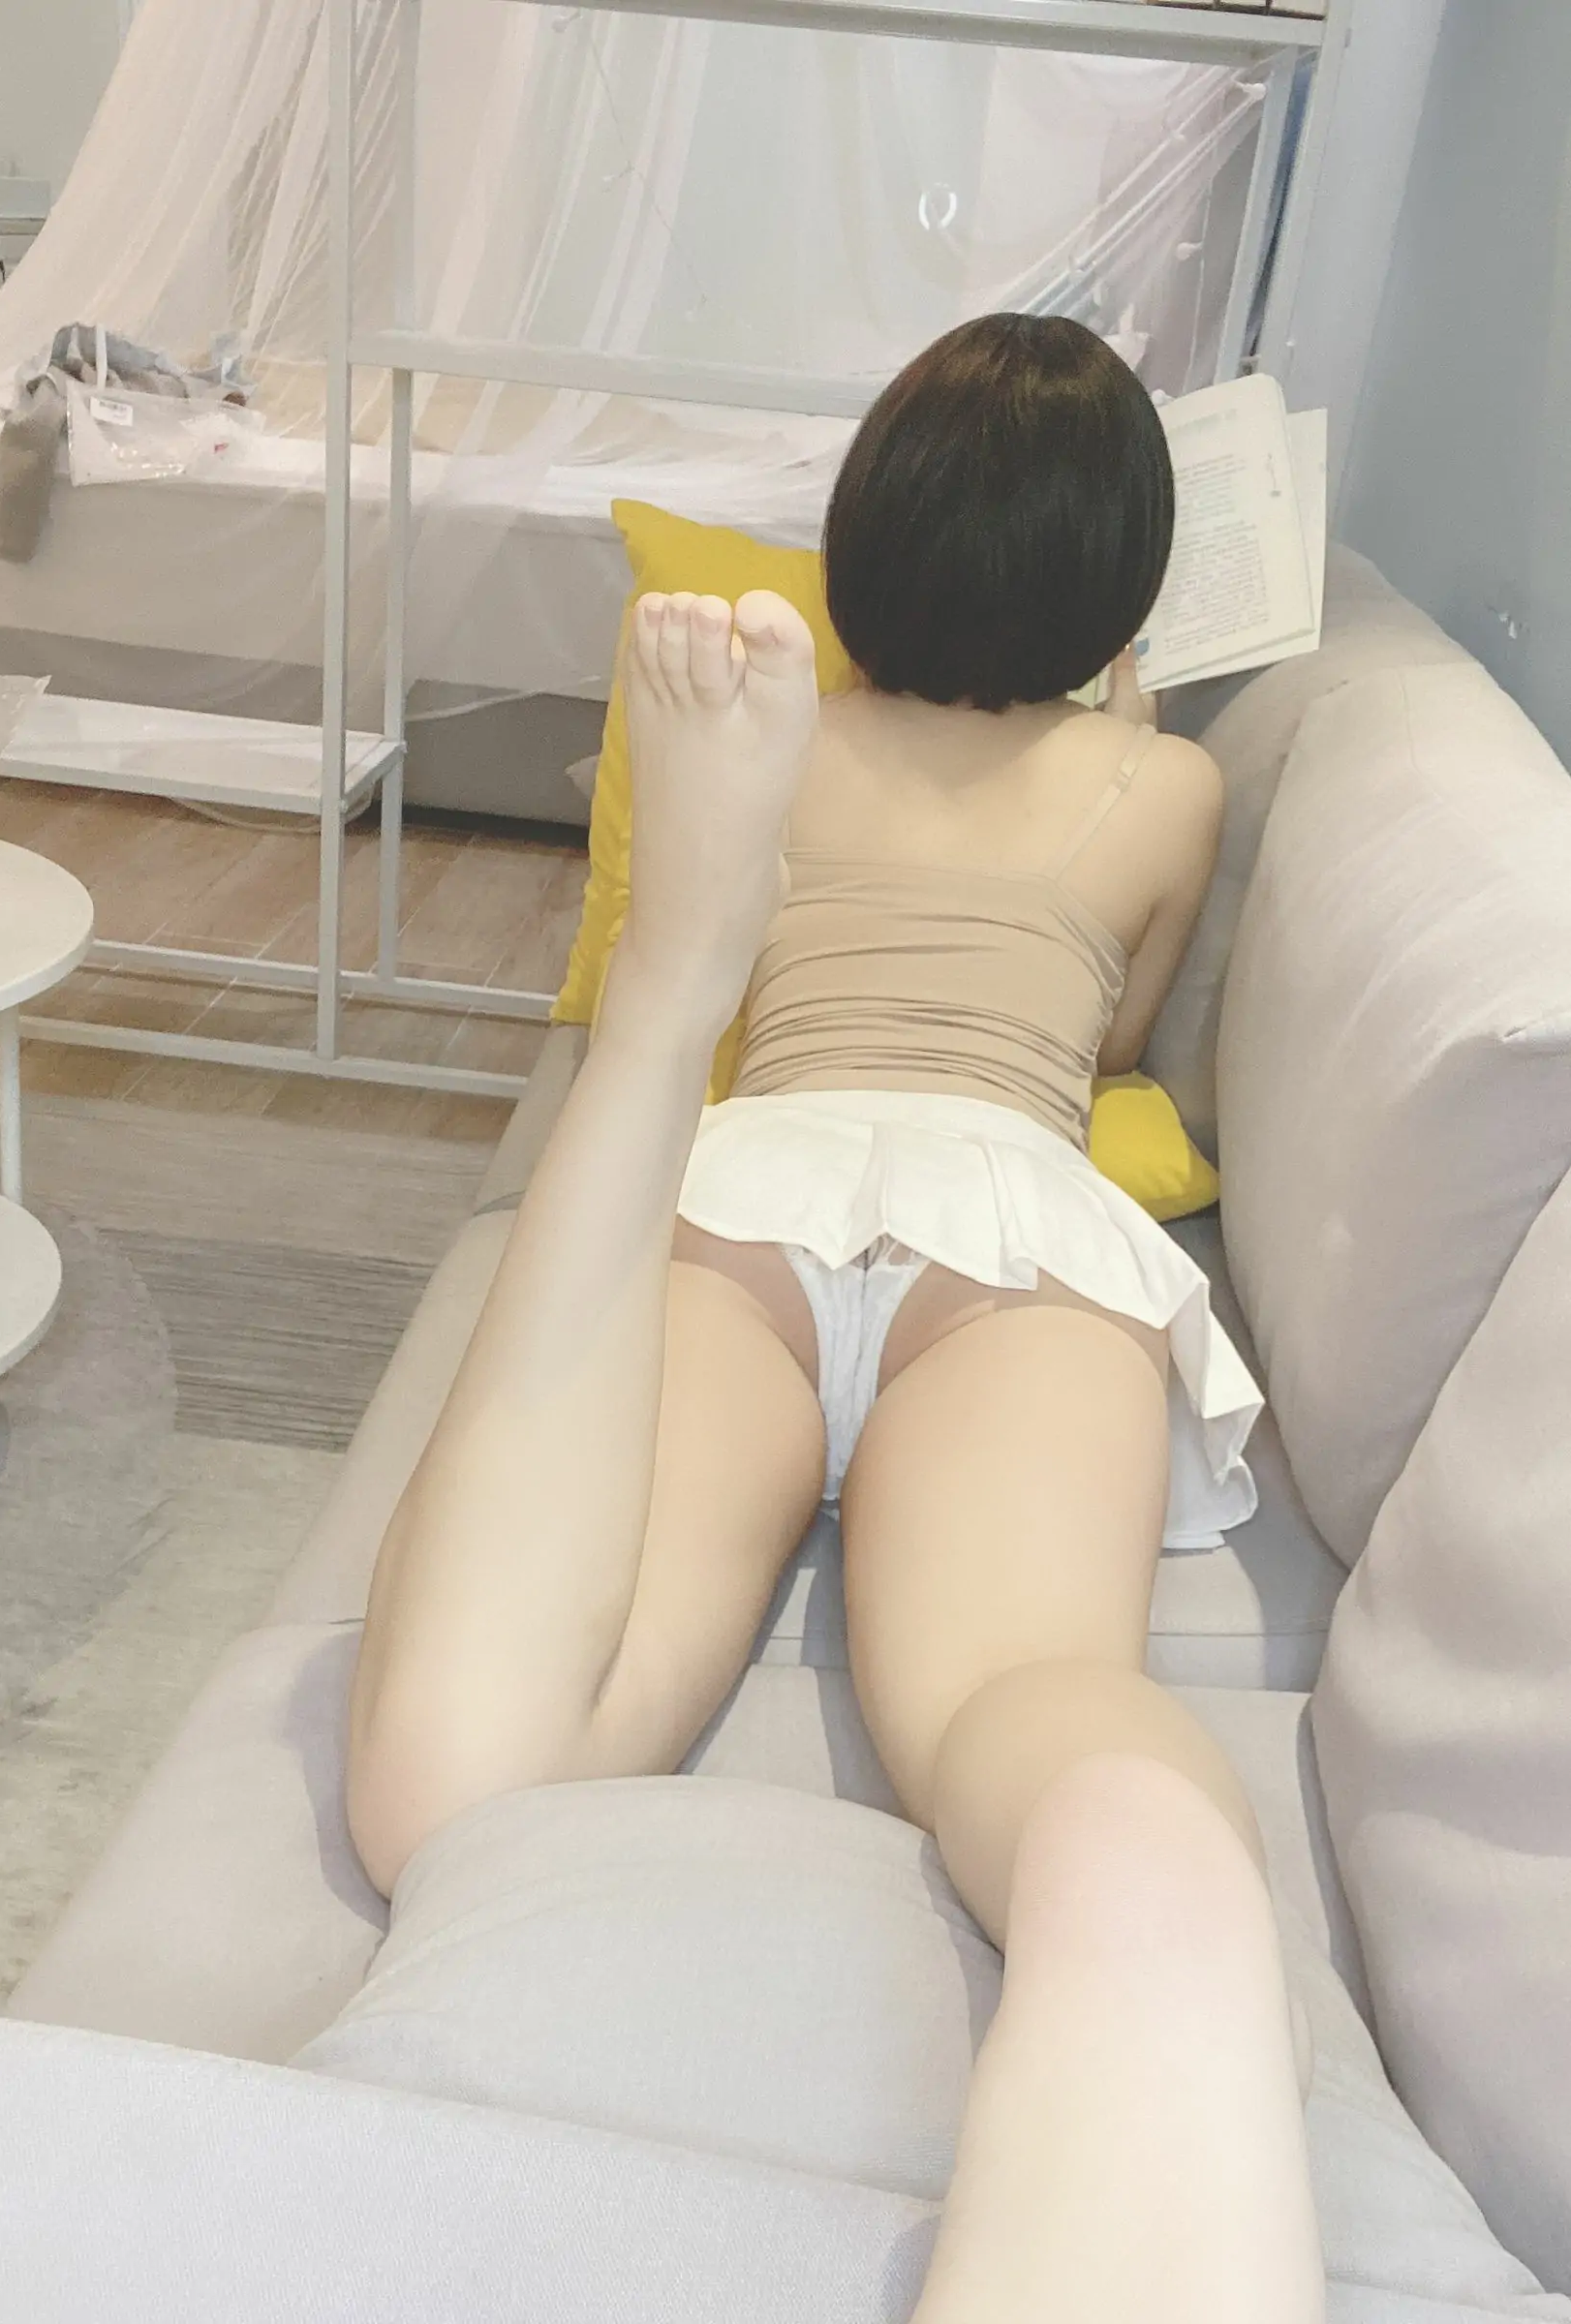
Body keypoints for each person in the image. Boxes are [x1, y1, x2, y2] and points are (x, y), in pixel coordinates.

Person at [344, 314, 1325, 2324]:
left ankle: (676, 980)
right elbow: (1113, 1045)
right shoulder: (1164, 789)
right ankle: (1144, 1874)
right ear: (1117, 582)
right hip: (1019, 1228)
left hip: (752, 1186)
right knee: (1017, 1700)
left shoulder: (791, 738)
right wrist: (1123, 724)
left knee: (481, 1766)